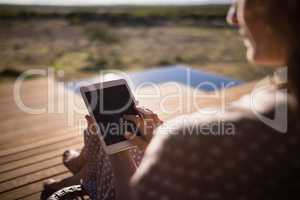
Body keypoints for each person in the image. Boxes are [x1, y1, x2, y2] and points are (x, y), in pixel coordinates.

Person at [44, 0, 300, 199]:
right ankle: (80, 163)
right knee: (123, 131)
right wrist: (157, 143)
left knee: (107, 133)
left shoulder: (187, 141)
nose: (232, 17)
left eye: (239, 2)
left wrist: (118, 150)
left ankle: (76, 170)